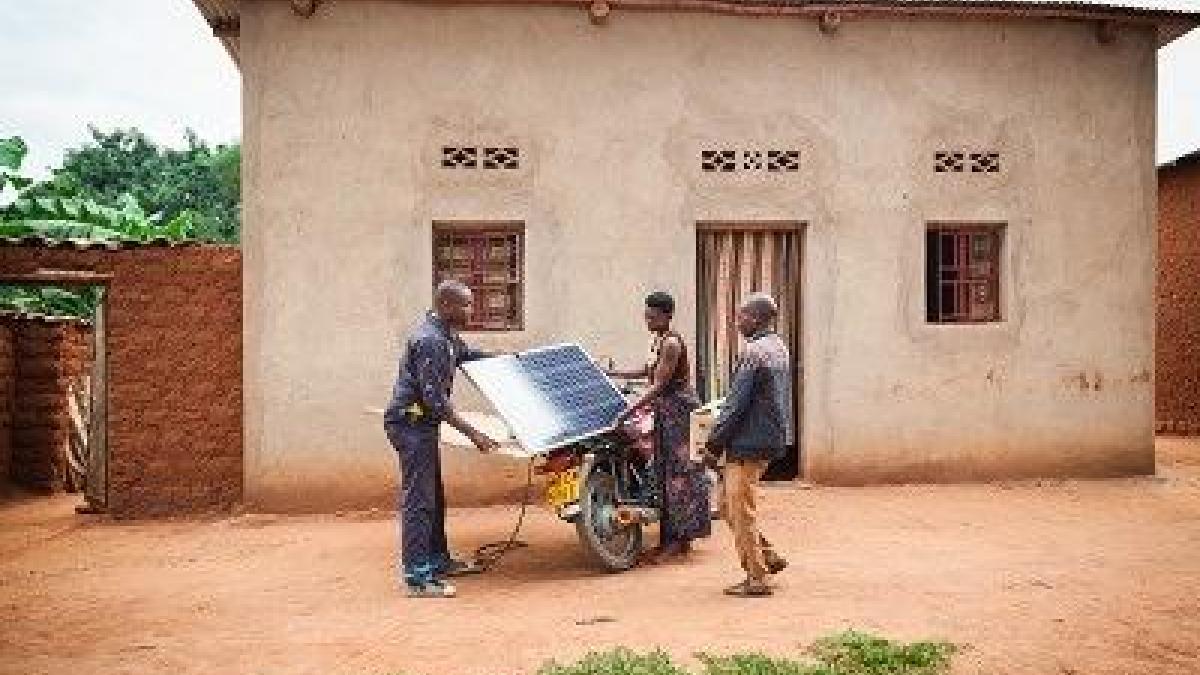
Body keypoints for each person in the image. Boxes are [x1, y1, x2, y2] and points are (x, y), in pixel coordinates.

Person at [384, 280, 500, 598]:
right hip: (410, 425)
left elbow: (468, 354)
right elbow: (435, 401)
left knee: (432, 497)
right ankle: (418, 577)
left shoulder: (445, 335)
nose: (470, 310)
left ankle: (437, 560)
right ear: (447, 305)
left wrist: (507, 360)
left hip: (423, 425)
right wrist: (474, 433)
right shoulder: (430, 341)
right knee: (419, 501)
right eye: (466, 305)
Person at [610, 291, 711, 564]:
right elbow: (647, 372)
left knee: (680, 478)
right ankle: (674, 540)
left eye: (652, 316)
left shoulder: (672, 345)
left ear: (667, 316)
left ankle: (678, 542)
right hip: (667, 413)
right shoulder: (659, 341)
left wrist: (628, 411)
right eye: (646, 316)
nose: (647, 320)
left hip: (680, 412)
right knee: (666, 474)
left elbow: (659, 384)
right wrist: (613, 374)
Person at [702, 292, 792, 597]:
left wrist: (712, 444)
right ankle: (767, 556)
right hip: (768, 437)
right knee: (729, 506)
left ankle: (757, 578)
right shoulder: (778, 346)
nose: (737, 321)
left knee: (739, 509)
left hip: (748, 443)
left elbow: (735, 405)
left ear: (755, 319)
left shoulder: (754, 352)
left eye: (741, 316)